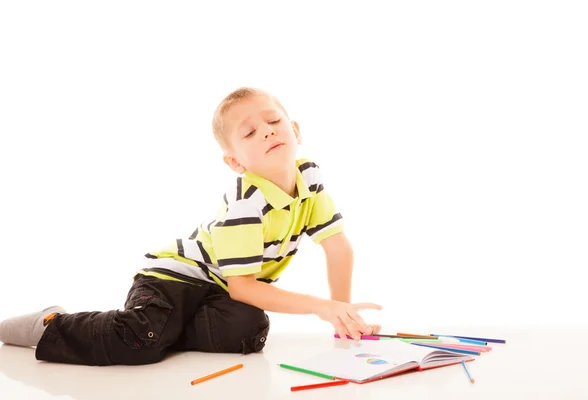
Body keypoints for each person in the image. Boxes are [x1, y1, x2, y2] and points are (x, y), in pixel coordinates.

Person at [0, 87, 382, 366]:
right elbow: (244, 286)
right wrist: (322, 306)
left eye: (273, 121)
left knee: (247, 331)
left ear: (295, 130)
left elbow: (338, 247)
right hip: (174, 279)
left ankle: (165, 331)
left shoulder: (308, 178)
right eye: (249, 132)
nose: (266, 131)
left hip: (219, 290)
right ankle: (52, 324)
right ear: (235, 162)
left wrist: (342, 314)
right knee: (140, 341)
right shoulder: (248, 203)